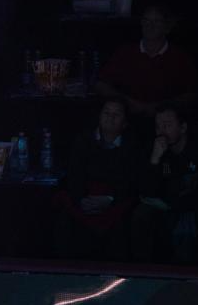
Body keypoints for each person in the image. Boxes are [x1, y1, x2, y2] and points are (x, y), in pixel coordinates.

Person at [132, 105, 198, 264]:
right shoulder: (154, 147)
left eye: (167, 125)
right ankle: (142, 270)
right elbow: (146, 191)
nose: (161, 131)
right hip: (166, 205)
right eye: (158, 126)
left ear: (183, 127)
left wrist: (174, 205)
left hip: (194, 205)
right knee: (142, 213)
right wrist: (155, 159)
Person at [53, 97, 141, 260]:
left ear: (125, 122)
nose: (110, 118)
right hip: (86, 196)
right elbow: (74, 174)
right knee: (65, 217)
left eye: (116, 114)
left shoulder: (132, 145)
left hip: (115, 198)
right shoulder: (83, 140)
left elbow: (132, 180)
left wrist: (110, 199)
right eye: (106, 113)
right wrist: (82, 199)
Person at [96, 5, 198, 122]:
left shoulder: (179, 57)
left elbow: (191, 94)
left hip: (166, 122)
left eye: (156, 21)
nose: (150, 25)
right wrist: (127, 102)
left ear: (167, 27)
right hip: (127, 120)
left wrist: (161, 107)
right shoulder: (125, 52)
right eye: (146, 20)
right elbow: (101, 85)